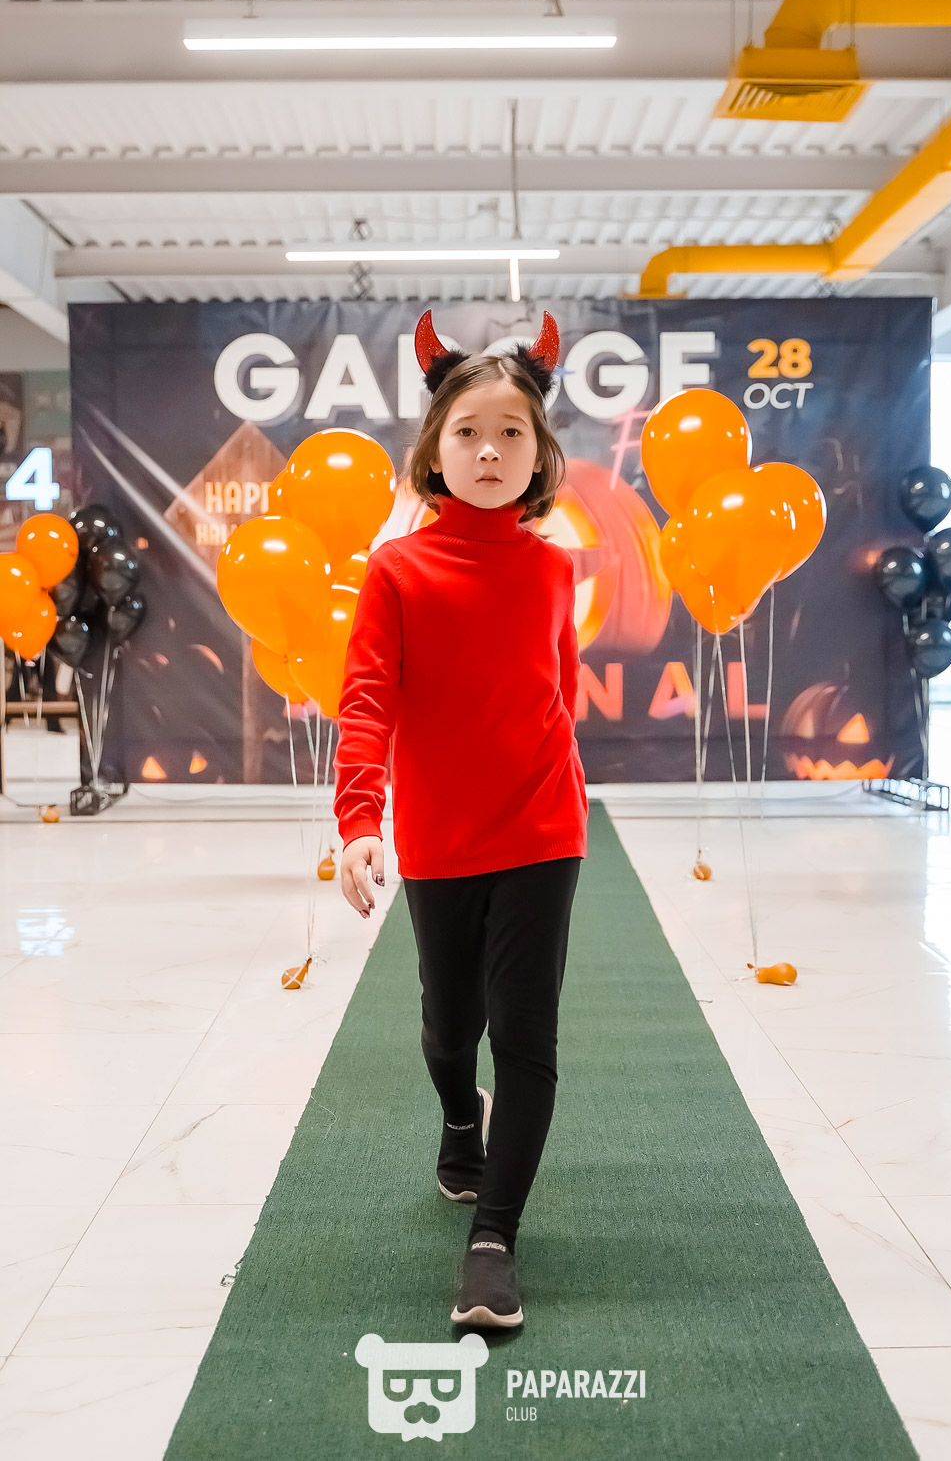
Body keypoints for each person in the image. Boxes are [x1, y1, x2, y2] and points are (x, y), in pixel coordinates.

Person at [334, 310, 589, 1330]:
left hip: (542, 828)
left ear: (539, 453)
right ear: (435, 452)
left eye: (511, 433)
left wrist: (546, 779)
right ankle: (455, 1117)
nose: (490, 451)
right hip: (439, 839)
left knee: (524, 1037)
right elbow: (367, 700)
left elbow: (557, 692)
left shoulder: (555, 568)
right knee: (452, 1029)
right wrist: (360, 818)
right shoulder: (396, 571)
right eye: (468, 433)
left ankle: (492, 1242)